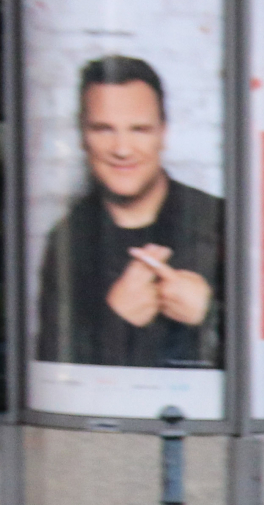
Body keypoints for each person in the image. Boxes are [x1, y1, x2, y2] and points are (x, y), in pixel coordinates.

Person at [35, 55, 223, 369]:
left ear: (163, 133)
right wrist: (115, 321)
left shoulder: (221, 220)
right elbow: (54, 374)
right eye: (103, 129)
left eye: (139, 129)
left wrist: (210, 315)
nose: (122, 149)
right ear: (83, 135)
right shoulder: (67, 240)